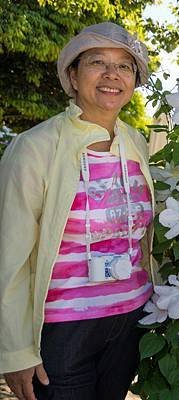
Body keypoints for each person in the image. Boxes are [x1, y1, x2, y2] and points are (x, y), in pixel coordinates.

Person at [0, 22, 156, 400]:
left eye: (124, 66)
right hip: (63, 332)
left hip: (130, 320)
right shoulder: (35, 147)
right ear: (72, 74)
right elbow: (9, 253)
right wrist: (15, 350)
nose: (111, 75)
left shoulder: (136, 142)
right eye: (96, 62)